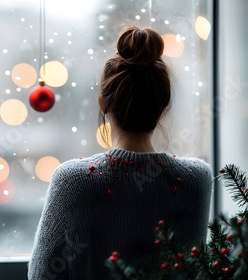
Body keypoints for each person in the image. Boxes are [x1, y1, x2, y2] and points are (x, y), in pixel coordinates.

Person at [28, 26, 212, 279]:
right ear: (164, 104)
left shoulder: (74, 180)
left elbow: (41, 275)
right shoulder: (196, 179)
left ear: (103, 103)